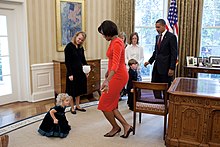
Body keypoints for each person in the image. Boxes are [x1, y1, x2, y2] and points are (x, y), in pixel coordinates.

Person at [97, 20, 133, 138]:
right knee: (112, 104)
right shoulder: (113, 41)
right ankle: (126, 126)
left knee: (104, 103)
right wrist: (108, 72)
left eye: (103, 33)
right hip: (115, 74)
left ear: (108, 32)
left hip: (119, 75)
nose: (102, 36)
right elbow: (113, 61)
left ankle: (115, 127)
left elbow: (116, 64)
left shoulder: (117, 42)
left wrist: (107, 80)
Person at [144, 19, 177, 98]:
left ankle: (167, 104)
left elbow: (174, 53)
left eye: (158, 27)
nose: (157, 29)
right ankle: (158, 101)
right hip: (157, 67)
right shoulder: (157, 37)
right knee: (154, 85)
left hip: (166, 68)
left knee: (166, 87)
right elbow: (156, 52)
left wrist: (172, 68)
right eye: (156, 27)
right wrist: (149, 61)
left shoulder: (171, 37)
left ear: (164, 26)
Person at [64, 31, 88, 114]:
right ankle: (72, 107)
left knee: (79, 90)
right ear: (76, 36)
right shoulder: (69, 47)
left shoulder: (81, 48)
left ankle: (77, 106)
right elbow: (67, 62)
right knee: (71, 91)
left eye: (82, 40)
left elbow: (83, 60)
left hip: (80, 72)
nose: (80, 41)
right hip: (72, 73)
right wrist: (70, 74)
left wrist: (87, 69)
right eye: (79, 38)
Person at [118, 32, 128, 98]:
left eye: (123, 38)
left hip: (125, 64)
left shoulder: (127, 46)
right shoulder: (117, 45)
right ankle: (119, 93)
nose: (121, 39)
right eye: (120, 38)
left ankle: (123, 91)